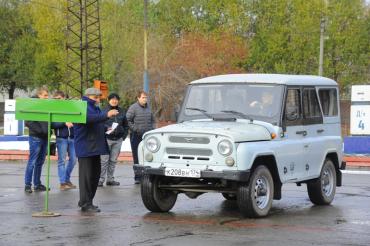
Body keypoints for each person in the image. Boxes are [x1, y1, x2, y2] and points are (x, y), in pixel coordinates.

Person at [74, 88, 119, 212]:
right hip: (85, 147)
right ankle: (85, 203)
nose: (98, 100)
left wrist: (106, 128)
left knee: (94, 175)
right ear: (88, 96)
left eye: (99, 97)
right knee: (86, 177)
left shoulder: (94, 107)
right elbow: (88, 119)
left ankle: (88, 201)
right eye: (96, 97)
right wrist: (106, 115)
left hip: (94, 147)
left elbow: (96, 122)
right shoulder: (81, 106)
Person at [98, 93, 129, 187]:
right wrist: (106, 128)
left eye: (116, 99)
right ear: (108, 100)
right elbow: (99, 123)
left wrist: (123, 137)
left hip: (118, 140)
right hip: (106, 139)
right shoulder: (103, 110)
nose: (114, 101)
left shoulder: (122, 111)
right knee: (104, 160)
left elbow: (126, 125)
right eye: (112, 99)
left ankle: (110, 179)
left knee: (113, 160)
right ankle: (100, 180)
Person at [24, 87, 50, 193]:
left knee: (40, 162)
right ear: (39, 95)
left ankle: (37, 184)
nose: (47, 97)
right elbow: (28, 121)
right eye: (45, 95)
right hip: (35, 137)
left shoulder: (45, 106)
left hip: (44, 137)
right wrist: (41, 131)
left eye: (47, 95)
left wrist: (47, 132)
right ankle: (27, 185)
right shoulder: (33, 104)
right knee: (32, 161)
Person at [126, 90, 155, 184]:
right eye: (143, 97)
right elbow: (127, 120)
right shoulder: (133, 108)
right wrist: (136, 129)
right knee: (137, 157)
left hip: (148, 136)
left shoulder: (149, 108)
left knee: (148, 156)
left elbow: (153, 120)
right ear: (138, 98)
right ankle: (138, 177)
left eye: (146, 97)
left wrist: (153, 129)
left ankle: (147, 176)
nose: (145, 99)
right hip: (136, 136)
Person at [52, 91, 77, 191]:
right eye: (55, 99)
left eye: (58, 98)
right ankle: (62, 183)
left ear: (63, 98)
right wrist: (64, 123)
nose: (57, 100)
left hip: (72, 137)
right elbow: (52, 124)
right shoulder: (54, 109)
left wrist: (73, 123)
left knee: (74, 160)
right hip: (61, 138)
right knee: (61, 161)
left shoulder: (70, 107)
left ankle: (66, 179)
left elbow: (77, 118)